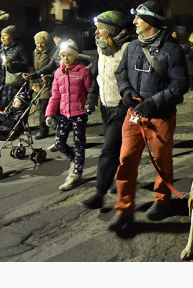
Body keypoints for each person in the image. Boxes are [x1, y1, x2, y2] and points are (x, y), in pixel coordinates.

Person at [109, 0, 188, 231]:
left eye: (139, 18)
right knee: (125, 162)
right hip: (134, 116)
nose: (134, 21)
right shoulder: (132, 46)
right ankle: (124, 209)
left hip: (160, 117)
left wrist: (154, 102)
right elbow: (120, 72)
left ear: (151, 21)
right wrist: (125, 91)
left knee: (162, 163)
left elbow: (181, 84)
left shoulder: (172, 49)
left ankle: (162, 201)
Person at [80, 11, 132, 210]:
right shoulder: (101, 48)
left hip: (121, 107)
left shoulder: (127, 48)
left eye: (100, 28)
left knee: (108, 151)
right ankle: (118, 181)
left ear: (110, 30)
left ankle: (99, 193)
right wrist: (92, 97)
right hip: (105, 105)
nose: (96, 32)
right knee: (117, 150)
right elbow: (98, 75)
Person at [45, 39, 93, 191]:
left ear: (75, 56)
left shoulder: (83, 72)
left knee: (79, 144)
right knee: (59, 143)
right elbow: (55, 96)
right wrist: (50, 114)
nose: (65, 58)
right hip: (64, 114)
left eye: (69, 55)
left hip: (79, 114)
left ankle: (76, 174)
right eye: (63, 55)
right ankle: (74, 159)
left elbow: (91, 92)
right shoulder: (58, 73)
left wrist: (90, 105)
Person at [22, 31, 55, 139]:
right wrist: (32, 76)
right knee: (41, 105)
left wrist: (49, 76)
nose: (39, 45)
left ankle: (43, 129)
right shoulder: (35, 52)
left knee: (43, 106)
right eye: (37, 43)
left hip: (49, 82)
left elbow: (53, 68)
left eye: (42, 43)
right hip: (38, 82)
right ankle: (53, 124)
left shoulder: (52, 53)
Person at [0, 25, 30, 111]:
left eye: (5, 35)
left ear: (12, 36)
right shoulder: (2, 48)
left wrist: (12, 64)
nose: (2, 38)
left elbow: (27, 62)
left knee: (13, 105)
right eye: (1, 36)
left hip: (14, 81)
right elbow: (0, 63)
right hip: (2, 81)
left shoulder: (20, 47)